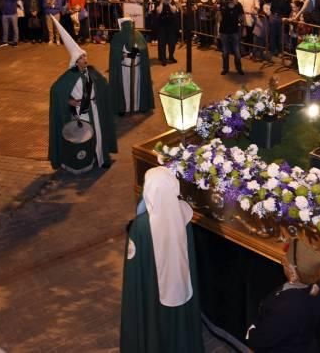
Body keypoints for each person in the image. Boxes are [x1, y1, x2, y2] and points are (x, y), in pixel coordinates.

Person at [120, 166, 204, 353]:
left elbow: (134, 270)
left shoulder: (141, 227)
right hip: (181, 285)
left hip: (152, 291)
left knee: (154, 323)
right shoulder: (184, 215)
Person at [48, 21, 117, 173]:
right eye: (81, 58)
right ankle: (86, 160)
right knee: (84, 137)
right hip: (81, 111)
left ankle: (101, 158)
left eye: (85, 57)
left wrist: (102, 93)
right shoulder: (69, 76)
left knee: (97, 133)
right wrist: (69, 101)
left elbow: (103, 84)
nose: (85, 60)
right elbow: (56, 91)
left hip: (94, 108)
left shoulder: (91, 71)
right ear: (75, 61)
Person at [245, 238, 320, 353]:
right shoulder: (315, 283)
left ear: (293, 274)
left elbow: (262, 339)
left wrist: (251, 332)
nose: (283, 262)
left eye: (285, 262)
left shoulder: (286, 307)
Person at [109, 17, 154, 114]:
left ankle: (128, 107)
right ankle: (133, 106)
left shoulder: (120, 36)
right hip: (130, 68)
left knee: (129, 88)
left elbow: (137, 50)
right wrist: (130, 54)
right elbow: (138, 51)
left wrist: (126, 54)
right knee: (134, 87)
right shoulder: (138, 35)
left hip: (128, 68)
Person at [217, 0, 244, 75]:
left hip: (234, 31)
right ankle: (225, 68)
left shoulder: (239, 5)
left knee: (237, 51)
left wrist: (241, 23)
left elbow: (241, 17)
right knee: (225, 51)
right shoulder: (223, 4)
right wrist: (218, 9)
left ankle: (239, 68)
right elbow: (218, 18)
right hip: (224, 31)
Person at [155, 0, 179, 66]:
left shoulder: (172, 2)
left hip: (171, 25)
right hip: (162, 25)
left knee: (172, 42)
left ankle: (171, 56)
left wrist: (169, 3)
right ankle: (163, 58)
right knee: (162, 42)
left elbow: (174, 10)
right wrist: (162, 2)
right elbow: (159, 11)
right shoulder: (158, 2)